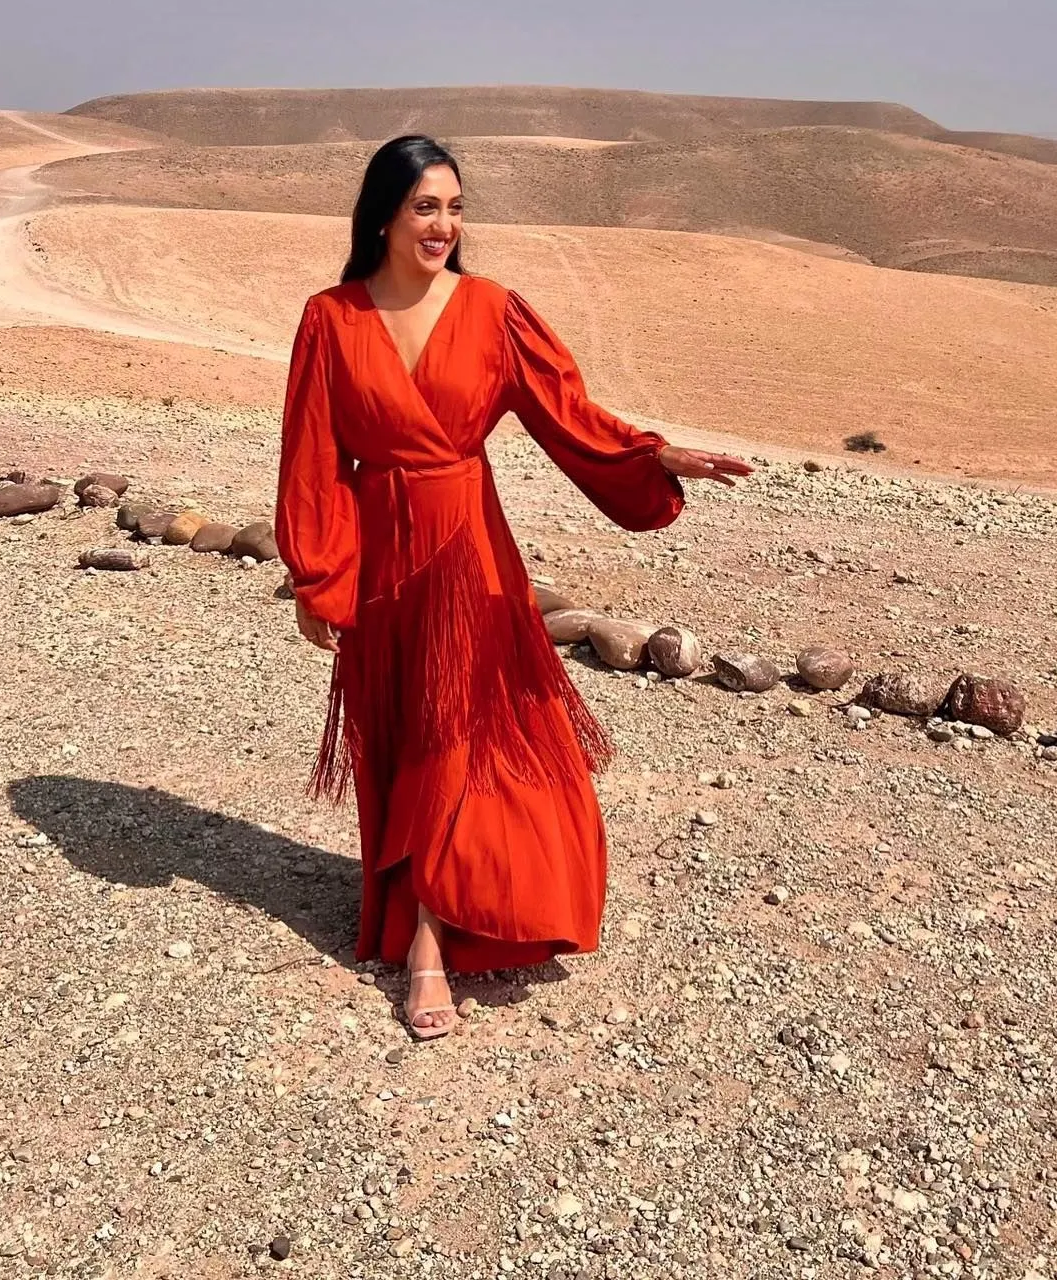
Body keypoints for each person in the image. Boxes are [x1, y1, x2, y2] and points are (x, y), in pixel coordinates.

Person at [275, 134, 751, 1040]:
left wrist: (651, 452)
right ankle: (423, 913)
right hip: (382, 558)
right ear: (383, 215)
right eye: (426, 207)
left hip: (469, 547)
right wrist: (320, 576)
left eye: (455, 207)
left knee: (462, 735)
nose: (445, 225)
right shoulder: (329, 317)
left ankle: (428, 943)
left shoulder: (493, 311)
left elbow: (567, 413)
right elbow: (312, 454)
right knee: (408, 735)